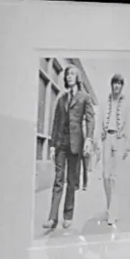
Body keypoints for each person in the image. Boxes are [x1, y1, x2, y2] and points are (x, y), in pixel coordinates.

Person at [43, 64, 92, 233]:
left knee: (71, 180)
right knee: (58, 180)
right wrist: (52, 146)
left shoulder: (84, 97)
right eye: (67, 74)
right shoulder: (61, 99)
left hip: (76, 144)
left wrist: (89, 139)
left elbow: (90, 119)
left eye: (72, 74)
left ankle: (68, 215)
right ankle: (52, 218)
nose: (69, 76)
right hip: (61, 144)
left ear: (77, 77)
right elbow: (56, 123)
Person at [96, 74, 129, 227]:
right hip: (107, 138)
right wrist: (99, 139)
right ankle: (110, 205)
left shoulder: (126, 103)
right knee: (105, 175)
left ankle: (113, 211)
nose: (117, 86)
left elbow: (128, 124)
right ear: (111, 85)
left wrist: (126, 145)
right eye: (115, 83)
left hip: (119, 138)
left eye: (119, 83)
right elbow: (100, 121)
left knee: (115, 177)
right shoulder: (105, 102)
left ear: (122, 86)